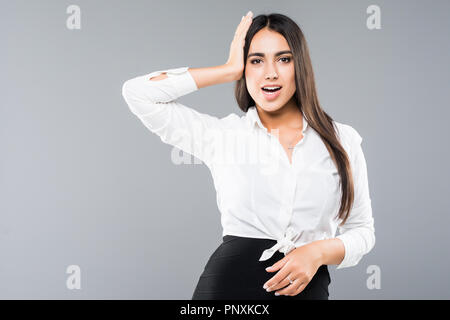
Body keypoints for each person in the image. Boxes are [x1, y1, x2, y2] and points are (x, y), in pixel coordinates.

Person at [121, 11, 375, 300]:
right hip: (227, 291)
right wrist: (227, 69)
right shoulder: (223, 136)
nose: (270, 73)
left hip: (306, 289)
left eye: (284, 59)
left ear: (300, 66)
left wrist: (317, 253)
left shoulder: (343, 141)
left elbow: (362, 231)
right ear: (245, 68)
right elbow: (138, 93)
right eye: (256, 60)